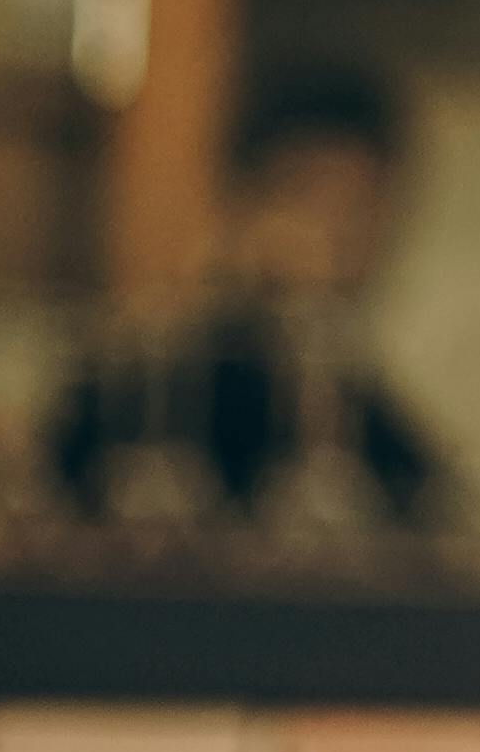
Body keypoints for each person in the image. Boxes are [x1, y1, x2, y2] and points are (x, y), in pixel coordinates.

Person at [41, 64, 453, 557]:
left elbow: (430, 504)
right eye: (311, 196)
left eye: (363, 206)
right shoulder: (147, 385)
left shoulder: (353, 406)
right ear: (239, 204)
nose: (335, 234)